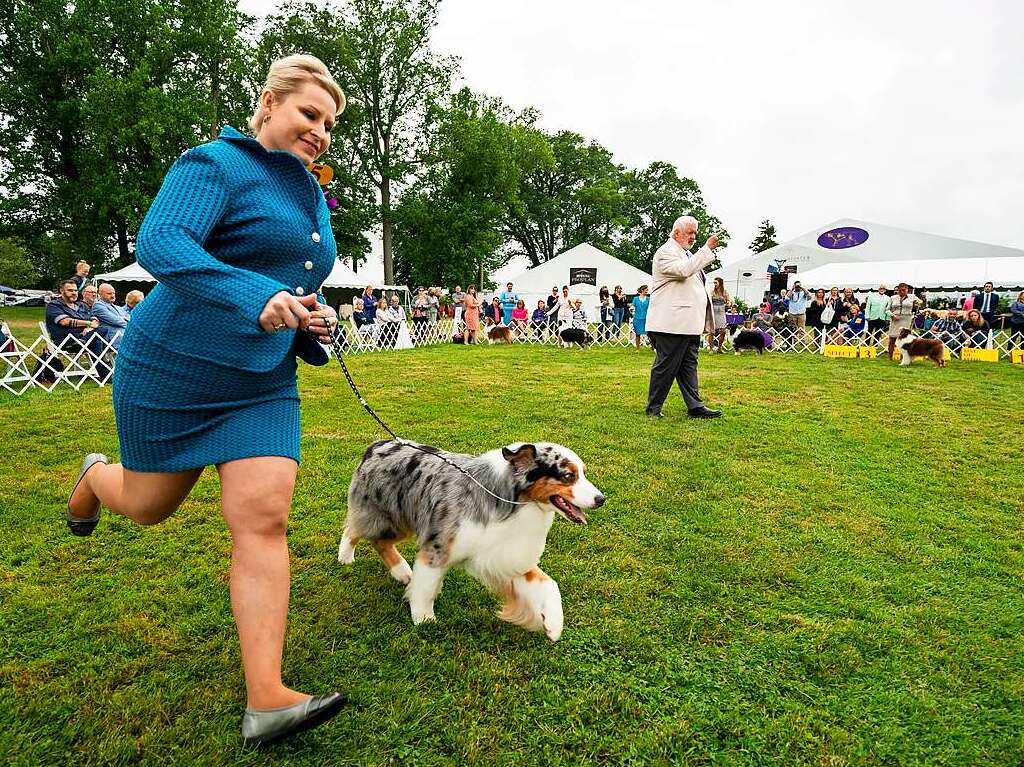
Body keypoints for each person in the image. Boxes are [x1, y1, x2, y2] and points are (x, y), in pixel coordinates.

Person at [64, 54, 347, 745]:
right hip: (174, 366)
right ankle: (95, 478)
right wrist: (260, 295)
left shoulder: (309, 193)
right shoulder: (215, 163)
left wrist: (311, 316)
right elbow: (163, 241)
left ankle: (267, 697)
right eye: (310, 113)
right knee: (150, 504)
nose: (321, 131)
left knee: (265, 511)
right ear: (270, 102)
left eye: (330, 124)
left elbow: (286, 277)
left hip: (259, 379)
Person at [644, 216, 721, 419]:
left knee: (688, 365)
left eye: (695, 233)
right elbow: (683, 271)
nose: (693, 237)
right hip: (671, 323)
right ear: (676, 232)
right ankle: (653, 407)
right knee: (666, 366)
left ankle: (695, 406)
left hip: (687, 323)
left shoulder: (686, 254)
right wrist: (706, 249)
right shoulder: (665, 252)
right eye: (690, 232)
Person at [45, 279, 100, 346]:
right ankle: (83, 341)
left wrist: (90, 328)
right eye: (70, 290)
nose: (74, 293)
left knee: (102, 331)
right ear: (62, 291)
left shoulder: (82, 305)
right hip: (65, 340)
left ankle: (84, 340)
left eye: (75, 290)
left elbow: (94, 319)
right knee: (98, 336)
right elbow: (65, 322)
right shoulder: (53, 305)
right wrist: (88, 323)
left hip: (85, 336)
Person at [91, 283, 131, 348]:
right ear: (100, 295)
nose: (112, 295)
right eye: (109, 293)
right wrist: (126, 321)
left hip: (127, 338)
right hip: (114, 341)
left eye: (113, 293)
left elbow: (129, 318)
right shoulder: (98, 306)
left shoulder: (118, 307)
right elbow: (116, 321)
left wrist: (124, 319)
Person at [887, 282, 917, 359]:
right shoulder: (892, 298)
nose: (902, 292)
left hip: (907, 319)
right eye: (900, 290)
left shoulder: (912, 297)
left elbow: (920, 304)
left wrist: (917, 304)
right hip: (895, 319)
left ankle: (905, 357)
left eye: (904, 290)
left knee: (906, 339)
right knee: (892, 338)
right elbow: (887, 310)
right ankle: (890, 356)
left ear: (907, 290)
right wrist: (892, 315)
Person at [707, 277, 731, 353]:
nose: (715, 284)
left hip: (721, 312)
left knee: (723, 331)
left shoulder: (725, 292)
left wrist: (728, 303)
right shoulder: (712, 292)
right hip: (713, 312)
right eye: (714, 283)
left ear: (720, 283)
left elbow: (729, 301)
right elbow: (709, 300)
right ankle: (711, 348)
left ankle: (719, 348)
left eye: (716, 283)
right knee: (712, 331)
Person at [631, 285, 650, 350]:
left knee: (649, 334)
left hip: (646, 318)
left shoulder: (648, 299)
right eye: (646, 290)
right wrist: (631, 308)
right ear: (642, 290)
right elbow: (632, 306)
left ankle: (653, 347)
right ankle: (637, 348)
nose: (647, 291)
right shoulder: (635, 299)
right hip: (637, 318)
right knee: (637, 334)